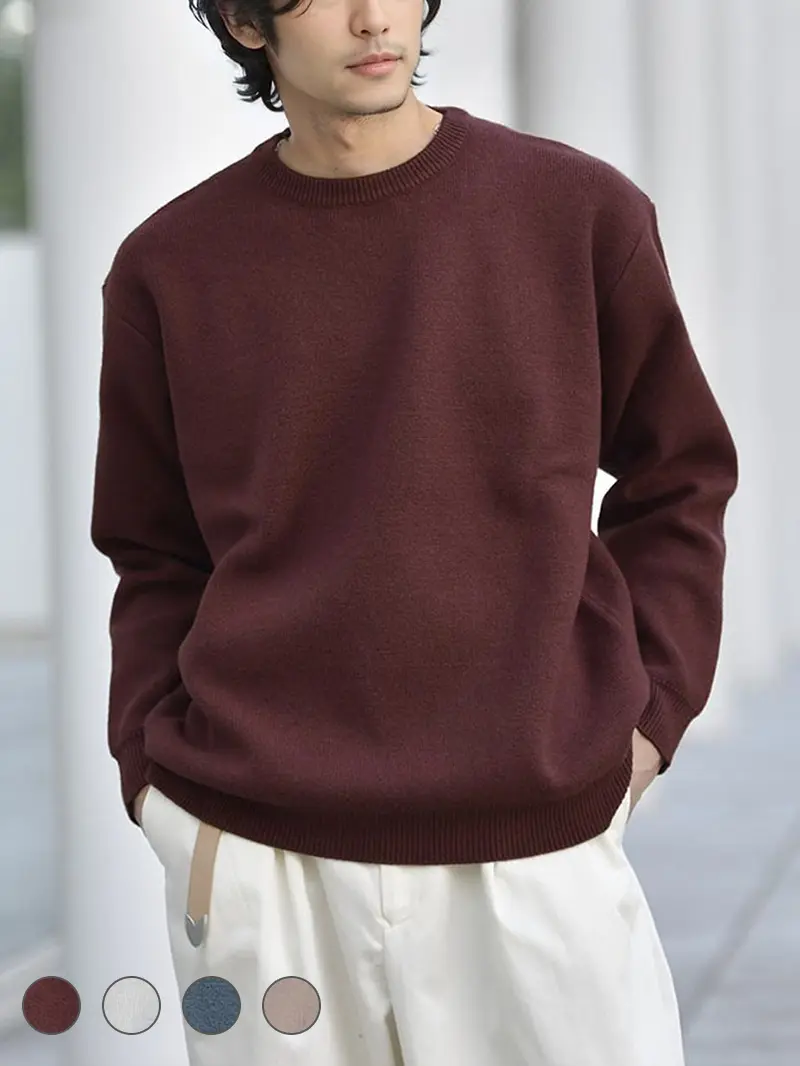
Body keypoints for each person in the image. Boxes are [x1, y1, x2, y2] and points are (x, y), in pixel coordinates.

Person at [90, 1, 739, 1064]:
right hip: (259, 853)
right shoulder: (171, 265)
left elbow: (679, 475)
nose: (371, 18)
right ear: (246, 22)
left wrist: (648, 715)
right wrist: (157, 786)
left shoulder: (576, 212)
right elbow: (151, 549)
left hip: (531, 843)